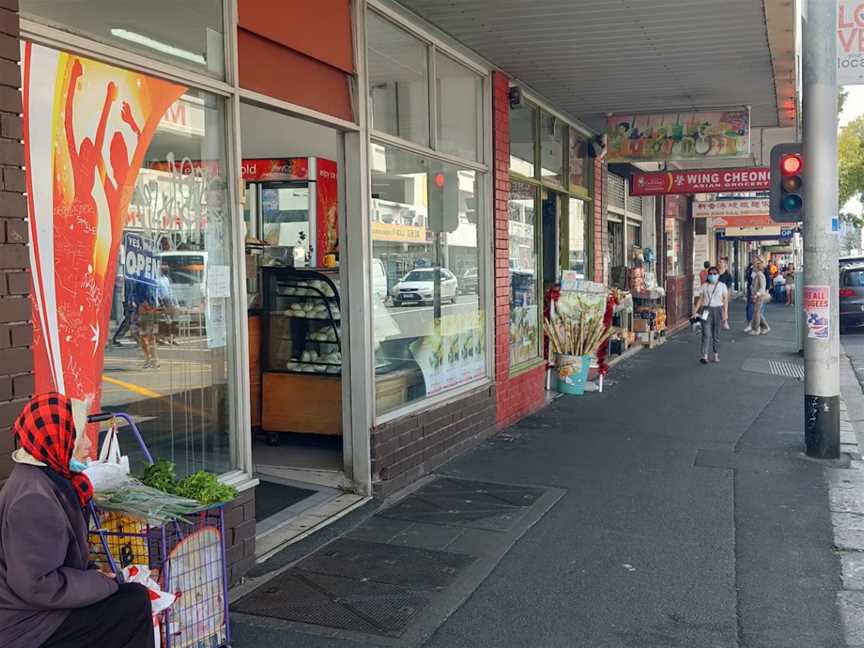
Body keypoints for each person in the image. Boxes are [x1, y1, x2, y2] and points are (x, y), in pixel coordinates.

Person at [0, 392, 154, 648]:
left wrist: (96, 576)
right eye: (80, 436)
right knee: (133, 604)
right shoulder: (33, 500)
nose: (88, 446)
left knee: (129, 599)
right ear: (57, 440)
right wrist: (103, 582)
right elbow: (38, 585)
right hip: (27, 626)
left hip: (33, 613)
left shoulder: (44, 479)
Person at [692, 266, 729, 364]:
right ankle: (704, 356)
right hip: (706, 311)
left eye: (714, 273)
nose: (712, 275)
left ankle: (715, 355)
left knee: (716, 334)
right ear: (708, 275)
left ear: (718, 275)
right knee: (706, 334)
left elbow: (725, 300)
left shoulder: (722, 286)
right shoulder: (704, 286)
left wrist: (725, 313)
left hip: (718, 310)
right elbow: (701, 299)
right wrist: (695, 311)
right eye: (710, 273)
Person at [750, 258, 771, 335]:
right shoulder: (757, 275)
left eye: (754, 267)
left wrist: (756, 294)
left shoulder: (760, 275)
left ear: (757, 268)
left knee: (756, 313)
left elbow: (762, 287)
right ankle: (765, 327)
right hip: (757, 296)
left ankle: (756, 329)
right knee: (757, 312)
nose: (753, 268)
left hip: (759, 296)